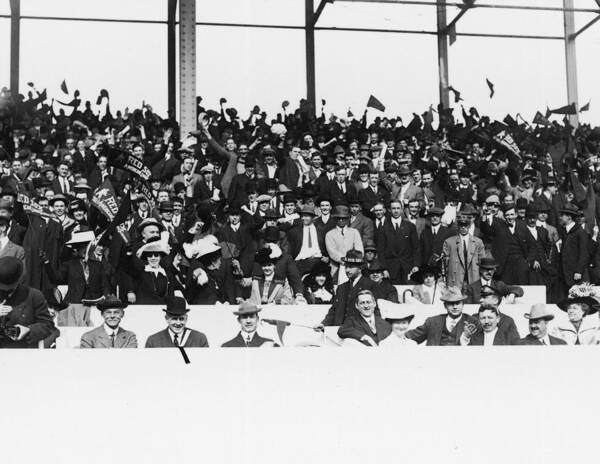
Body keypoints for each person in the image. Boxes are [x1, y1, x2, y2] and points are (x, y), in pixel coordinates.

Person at [0, 256, 55, 348]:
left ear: (19, 279)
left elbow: (48, 325)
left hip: (21, 352)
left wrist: (29, 330)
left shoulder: (33, 295)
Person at [319, 250, 382, 327]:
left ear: (360, 268)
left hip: (360, 331)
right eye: (346, 267)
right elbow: (334, 311)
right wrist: (323, 324)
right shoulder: (341, 287)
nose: (347, 270)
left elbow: (375, 312)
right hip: (339, 330)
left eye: (351, 267)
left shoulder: (370, 285)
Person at [406, 287, 478, 346]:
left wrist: (466, 336)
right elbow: (410, 336)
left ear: (463, 305)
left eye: (458, 303)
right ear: (445, 306)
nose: (455, 307)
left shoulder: (472, 321)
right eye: (451, 303)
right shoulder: (432, 322)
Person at [378, 199, 419, 285]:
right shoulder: (383, 227)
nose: (396, 211)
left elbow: (416, 248)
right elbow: (381, 250)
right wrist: (384, 269)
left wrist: (416, 265)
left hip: (407, 267)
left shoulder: (410, 226)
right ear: (389, 210)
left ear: (402, 209)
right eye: (393, 208)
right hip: (391, 268)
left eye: (398, 208)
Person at [145, 296, 209, 348]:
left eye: (181, 319)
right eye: (174, 319)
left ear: (186, 318)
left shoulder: (200, 339)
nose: (178, 323)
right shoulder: (153, 341)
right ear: (166, 318)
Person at [442, 218, 486, 289]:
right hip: (455, 279)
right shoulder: (449, 242)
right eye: (461, 225)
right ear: (458, 226)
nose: (463, 227)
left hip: (473, 278)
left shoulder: (478, 242)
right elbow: (444, 264)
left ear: (469, 226)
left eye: (466, 225)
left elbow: (483, 262)